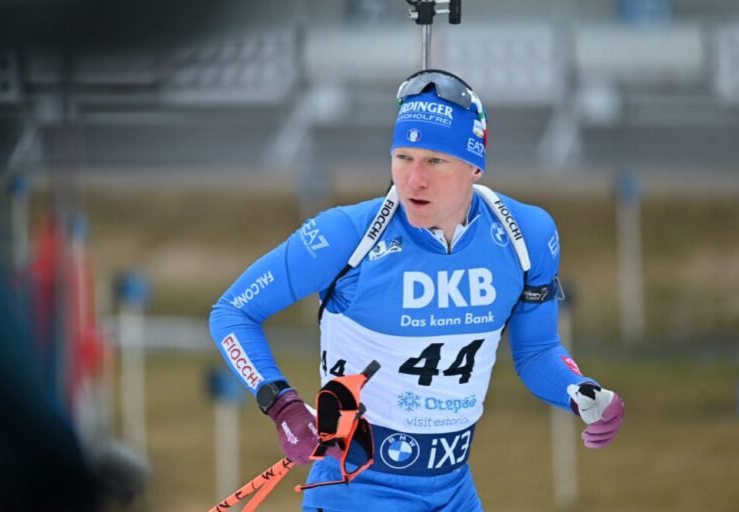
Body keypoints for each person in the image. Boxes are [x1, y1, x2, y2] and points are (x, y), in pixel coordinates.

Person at [209, 69, 625, 511]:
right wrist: (284, 407)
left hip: (453, 491)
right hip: (355, 489)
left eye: (435, 161)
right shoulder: (347, 235)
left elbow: (538, 349)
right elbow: (232, 312)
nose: (413, 179)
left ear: (474, 165)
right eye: (403, 157)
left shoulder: (527, 235)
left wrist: (581, 391)